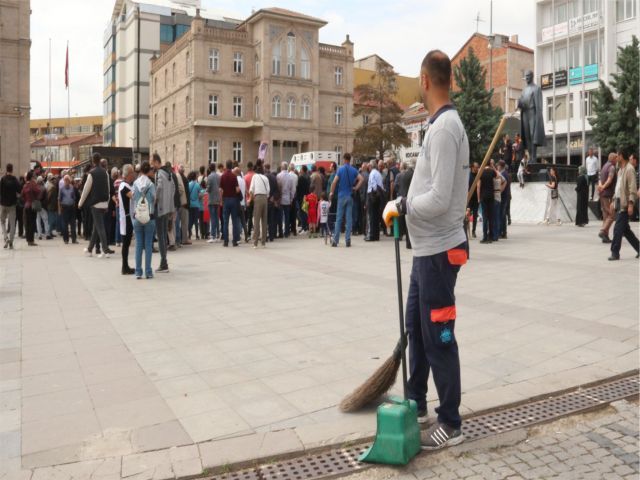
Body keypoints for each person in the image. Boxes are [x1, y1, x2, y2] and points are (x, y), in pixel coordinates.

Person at [382, 50, 468, 450]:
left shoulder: (447, 128)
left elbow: (440, 196)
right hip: (425, 250)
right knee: (416, 327)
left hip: (439, 250)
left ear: (425, 79)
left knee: (438, 335)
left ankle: (450, 421)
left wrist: (402, 206)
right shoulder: (437, 126)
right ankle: (416, 399)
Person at [79, 153, 114, 257]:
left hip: (95, 204)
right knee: (96, 226)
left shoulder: (91, 173)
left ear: (93, 161)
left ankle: (105, 249)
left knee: (100, 227)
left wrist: (80, 203)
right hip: (104, 203)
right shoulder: (105, 173)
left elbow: (86, 190)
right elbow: (108, 190)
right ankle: (90, 249)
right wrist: (107, 204)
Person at [609, 149, 639, 261]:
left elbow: (633, 188)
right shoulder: (620, 170)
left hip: (625, 205)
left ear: (621, 156)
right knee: (626, 230)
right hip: (619, 202)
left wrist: (631, 204)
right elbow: (618, 188)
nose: (616, 157)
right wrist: (613, 200)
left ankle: (615, 253)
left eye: (617, 155)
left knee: (617, 229)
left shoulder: (629, 169)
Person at [329, 153, 363, 247]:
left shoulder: (340, 170)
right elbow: (361, 179)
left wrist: (331, 193)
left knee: (339, 219)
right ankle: (348, 240)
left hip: (341, 196)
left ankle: (335, 241)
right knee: (349, 219)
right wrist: (355, 188)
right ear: (350, 159)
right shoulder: (354, 170)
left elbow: (334, 182)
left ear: (344, 159)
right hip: (350, 196)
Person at [132, 162, 156, 279]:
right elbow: (155, 199)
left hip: (137, 217)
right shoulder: (151, 184)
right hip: (149, 217)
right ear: (149, 171)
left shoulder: (135, 184)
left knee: (138, 245)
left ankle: (138, 271)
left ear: (140, 170)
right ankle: (148, 271)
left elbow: (133, 198)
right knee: (148, 245)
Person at [152, 153, 175, 273]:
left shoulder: (159, 174)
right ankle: (164, 261)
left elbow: (159, 187)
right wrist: (171, 208)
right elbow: (173, 190)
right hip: (167, 209)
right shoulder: (169, 173)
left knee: (160, 236)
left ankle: (163, 263)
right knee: (163, 235)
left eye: (152, 162)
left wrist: (155, 200)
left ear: (156, 162)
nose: (152, 165)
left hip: (160, 209)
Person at [597, 152, 618, 243]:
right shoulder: (612, 167)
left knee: (606, 215)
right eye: (616, 158)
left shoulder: (604, 166)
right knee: (612, 215)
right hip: (608, 194)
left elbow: (599, 179)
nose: (617, 160)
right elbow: (609, 179)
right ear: (613, 158)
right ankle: (603, 231)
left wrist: (600, 186)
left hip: (602, 194)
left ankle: (605, 236)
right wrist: (604, 186)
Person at [119, 164, 135, 274]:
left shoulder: (124, 185)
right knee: (126, 243)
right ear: (128, 174)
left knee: (126, 243)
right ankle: (124, 267)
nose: (134, 175)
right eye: (132, 173)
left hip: (126, 217)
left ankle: (125, 266)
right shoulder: (125, 186)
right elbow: (134, 196)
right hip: (126, 218)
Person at [220, 160, 241, 247]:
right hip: (233, 200)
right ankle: (234, 241)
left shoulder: (223, 176)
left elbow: (220, 190)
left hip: (225, 200)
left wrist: (221, 201)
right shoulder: (234, 176)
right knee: (234, 221)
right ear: (231, 166)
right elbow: (237, 190)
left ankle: (225, 241)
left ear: (226, 165)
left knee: (225, 221)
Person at [249, 161, 270, 248]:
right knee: (264, 221)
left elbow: (251, 190)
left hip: (257, 198)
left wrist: (251, 199)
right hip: (265, 198)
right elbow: (268, 191)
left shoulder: (254, 177)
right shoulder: (265, 178)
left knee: (256, 220)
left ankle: (255, 242)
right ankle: (263, 242)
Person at [0, 163, 21, 249]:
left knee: (2, 222)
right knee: (12, 224)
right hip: (12, 204)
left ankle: (6, 237)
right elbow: (19, 190)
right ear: (12, 169)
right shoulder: (15, 179)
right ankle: (11, 241)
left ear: (6, 169)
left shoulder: (2, 179)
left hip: (3, 204)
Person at [21, 171, 41, 247]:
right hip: (32, 206)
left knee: (27, 224)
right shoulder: (33, 184)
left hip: (26, 206)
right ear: (32, 177)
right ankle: (31, 240)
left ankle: (28, 240)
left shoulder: (25, 185)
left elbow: (22, 195)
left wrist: (26, 200)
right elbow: (38, 191)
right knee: (32, 224)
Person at [397, 161, 414, 248]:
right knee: (410, 221)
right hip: (409, 198)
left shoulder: (403, 174)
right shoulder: (413, 174)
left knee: (403, 219)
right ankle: (410, 242)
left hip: (402, 197)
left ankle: (407, 241)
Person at [365, 160, 384, 241]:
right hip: (378, 195)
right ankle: (376, 235)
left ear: (371, 166)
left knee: (372, 215)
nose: (368, 168)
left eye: (369, 166)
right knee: (376, 216)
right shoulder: (378, 173)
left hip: (372, 195)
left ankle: (372, 235)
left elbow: (373, 184)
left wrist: (374, 193)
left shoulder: (372, 173)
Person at [477, 164, 495, 243]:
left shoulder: (481, 172)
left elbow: (478, 186)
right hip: (491, 196)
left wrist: (478, 198)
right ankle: (491, 236)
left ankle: (485, 237)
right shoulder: (491, 171)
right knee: (491, 216)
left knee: (485, 217)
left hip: (483, 196)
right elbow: (497, 176)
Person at [58, 175, 77, 244]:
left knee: (73, 224)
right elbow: (59, 199)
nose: (66, 182)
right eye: (65, 180)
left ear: (69, 181)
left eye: (67, 180)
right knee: (65, 225)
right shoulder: (61, 189)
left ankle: (74, 239)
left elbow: (74, 197)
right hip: (64, 207)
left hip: (71, 207)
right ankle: (66, 239)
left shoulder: (72, 188)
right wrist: (59, 209)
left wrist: (74, 205)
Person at [277, 162, 295, 238]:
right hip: (287, 199)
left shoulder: (278, 176)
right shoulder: (290, 177)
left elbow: (278, 188)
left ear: (281, 167)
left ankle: (280, 232)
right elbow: (292, 189)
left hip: (280, 199)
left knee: (280, 216)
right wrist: (291, 199)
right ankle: (286, 232)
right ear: (287, 167)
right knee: (287, 216)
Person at [206, 164, 221, 242]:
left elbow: (208, 188)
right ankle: (217, 234)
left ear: (209, 168)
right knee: (216, 217)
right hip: (217, 199)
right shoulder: (218, 176)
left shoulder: (209, 177)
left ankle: (213, 235)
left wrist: (206, 190)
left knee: (212, 218)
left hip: (211, 199)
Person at [188, 172, 203, 239]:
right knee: (196, 220)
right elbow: (200, 195)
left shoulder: (189, 184)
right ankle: (197, 235)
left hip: (190, 205)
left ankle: (189, 234)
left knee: (190, 220)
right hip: (196, 205)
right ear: (195, 177)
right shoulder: (197, 185)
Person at [497, 160, 510, 239]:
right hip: (506, 196)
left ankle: (502, 232)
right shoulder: (506, 173)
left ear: (500, 166)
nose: (497, 167)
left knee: (501, 214)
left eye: (498, 165)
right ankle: (503, 232)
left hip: (503, 196)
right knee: (503, 215)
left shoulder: (503, 174)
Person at [467, 162, 479, 239]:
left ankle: (473, 231)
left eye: (477, 167)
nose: (477, 168)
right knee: (467, 215)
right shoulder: (468, 176)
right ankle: (467, 232)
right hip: (469, 198)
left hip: (475, 199)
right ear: (472, 167)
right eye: (476, 167)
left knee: (475, 215)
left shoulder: (478, 175)